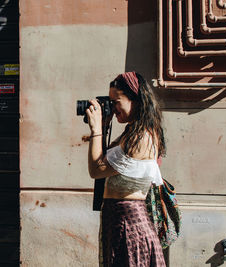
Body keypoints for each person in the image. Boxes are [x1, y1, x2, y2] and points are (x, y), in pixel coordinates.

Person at [85, 72, 166, 267]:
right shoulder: (132, 132)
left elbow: (97, 169)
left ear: (136, 100)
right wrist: (104, 126)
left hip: (129, 223)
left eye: (116, 102)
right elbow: (103, 160)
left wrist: (96, 130)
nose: (112, 108)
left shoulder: (141, 138)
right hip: (119, 219)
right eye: (110, 102)